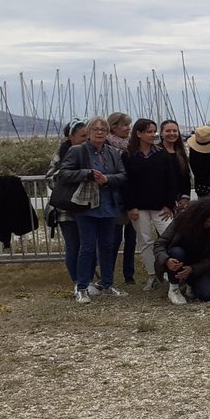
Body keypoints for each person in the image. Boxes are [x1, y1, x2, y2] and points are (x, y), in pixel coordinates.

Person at [56, 116, 129, 302]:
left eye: (103, 130)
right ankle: (82, 287)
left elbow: (122, 176)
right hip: (85, 206)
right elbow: (64, 174)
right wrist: (87, 174)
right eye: (95, 129)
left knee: (107, 245)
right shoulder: (77, 151)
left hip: (108, 205)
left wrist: (107, 179)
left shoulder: (113, 152)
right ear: (88, 133)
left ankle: (107, 284)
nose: (99, 132)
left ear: (107, 133)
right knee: (87, 247)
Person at [123, 118, 177, 290]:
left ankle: (171, 273)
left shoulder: (162, 154)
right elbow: (126, 183)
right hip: (138, 207)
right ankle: (153, 275)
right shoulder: (128, 155)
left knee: (170, 237)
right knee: (145, 241)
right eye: (149, 131)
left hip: (161, 206)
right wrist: (131, 206)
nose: (153, 134)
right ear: (138, 134)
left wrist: (170, 204)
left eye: (154, 131)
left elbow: (170, 181)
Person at [154, 198, 210, 304]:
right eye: (207, 221)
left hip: (198, 265)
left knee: (208, 295)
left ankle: (189, 284)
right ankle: (174, 288)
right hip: (179, 258)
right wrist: (167, 260)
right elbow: (159, 244)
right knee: (176, 252)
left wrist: (193, 269)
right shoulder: (183, 219)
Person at [45, 118, 88, 287]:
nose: (86, 138)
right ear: (71, 136)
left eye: (87, 135)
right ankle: (77, 280)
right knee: (73, 245)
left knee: (88, 244)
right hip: (66, 209)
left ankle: (88, 277)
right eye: (82, 135)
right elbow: (50, 178)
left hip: (87, 206)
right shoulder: (60, 155)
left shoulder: (91, 152)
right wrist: (73, 179)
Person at [106, 111, 137, 285]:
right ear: (114, 127)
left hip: (131, 197)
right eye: (125, 125)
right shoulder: (107, 147)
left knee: (132, 239)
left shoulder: (131, 145)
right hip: (115, 198)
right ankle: (108, 275)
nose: (128, 128)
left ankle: (129, 275)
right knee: (114, 239)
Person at [159, 120, 192, 212]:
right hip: (162, 203)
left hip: (180, 201)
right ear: (161, 133)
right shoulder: (156, 153)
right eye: (168, 131)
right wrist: (167, 204)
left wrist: (185, 197)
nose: (172, 133)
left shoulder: (181, 153)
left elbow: (186, 177)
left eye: (175, 131)